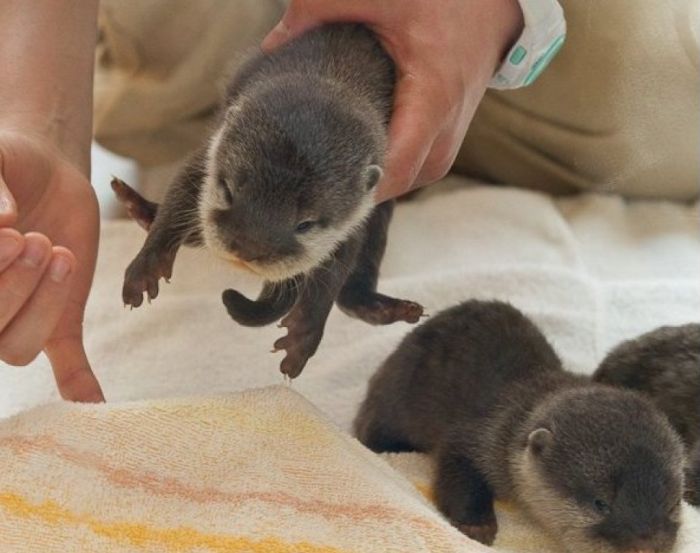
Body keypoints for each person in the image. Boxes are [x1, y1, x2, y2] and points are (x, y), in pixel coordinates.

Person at [2, 0, 697, 402]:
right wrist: (44, 122)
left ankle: (458, 110)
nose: (248, 252)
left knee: (667, 113)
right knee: (161, 69)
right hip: (239, 35)